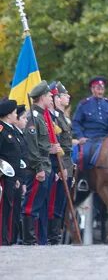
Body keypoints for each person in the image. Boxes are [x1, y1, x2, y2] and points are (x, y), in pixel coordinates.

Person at [21, 81, 55, 245]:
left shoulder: (41, 117)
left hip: (44, 165)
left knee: (38, 203)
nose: (51, 98)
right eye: (49, 96)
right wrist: (39, 168)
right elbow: (32, 146)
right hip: (37, 167)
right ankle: (28, 238)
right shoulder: (33, 118)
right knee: (31, 205)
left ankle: (33, 238)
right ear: (42, 97)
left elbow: (42, 144)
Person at [72, 76, 108, 189]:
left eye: (102, 89)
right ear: (92, 89)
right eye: (98, 89)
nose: (100, 91)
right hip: (89, 138)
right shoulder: (84, 104)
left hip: (106, 138)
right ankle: (83, 180)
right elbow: (76, 122)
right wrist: (80, 136)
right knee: (84, 155)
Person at [47, 81, 73, 244]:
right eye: (64, 95)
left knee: (62, 200)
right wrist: (60, 167)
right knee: (56, 200)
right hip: (60, 162)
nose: (68, 97)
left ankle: (57, 232)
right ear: (56, 98)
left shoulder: (63, 117)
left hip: (68, 161)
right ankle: (53, 234)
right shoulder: (53, 118)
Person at [0, 98, 24, 246]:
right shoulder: (2, 130)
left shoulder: (12, 131)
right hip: (4, 176)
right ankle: (3, 239)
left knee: (11, 209)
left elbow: (17, 156)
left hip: (13, 177)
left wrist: (18, 177)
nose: (17, 115)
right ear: (8, 115)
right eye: (15, 113)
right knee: (4, 209)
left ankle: (8, 238)